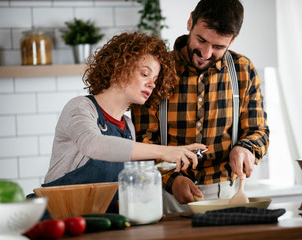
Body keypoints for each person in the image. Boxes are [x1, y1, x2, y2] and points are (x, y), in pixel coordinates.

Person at [42, 32, 206, 212]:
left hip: (99, 222)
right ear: (119, 67)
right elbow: (94, 145)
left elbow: (120, 189)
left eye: (155, 80)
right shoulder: (80, 107)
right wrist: (165, 151)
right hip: (59, 216)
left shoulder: (127, 126)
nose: (151, 84)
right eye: (145, 74)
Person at [132, 0, 269, 213]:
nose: (205, 53)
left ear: (233, 40)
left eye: (218, 47)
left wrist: (246, 147)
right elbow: (143, 139)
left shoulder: (243, 70)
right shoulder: (157, 70)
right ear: (190, 22)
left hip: (227, 195)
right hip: (167, 194)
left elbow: (258, 130)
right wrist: (172, 179)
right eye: (201, 40)